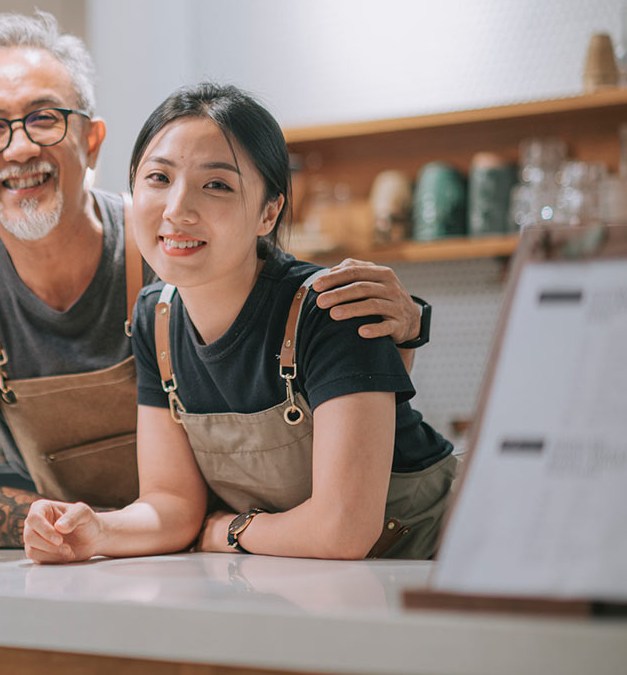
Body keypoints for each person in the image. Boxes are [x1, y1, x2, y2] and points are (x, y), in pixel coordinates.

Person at [0, 12, 431, 550]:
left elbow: (343, 497)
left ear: (92, 141)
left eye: (44, 118)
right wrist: (93, 531)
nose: (19, 148)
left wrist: (406, 332)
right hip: (184, 560)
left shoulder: (185, 254)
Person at [23, 83, 457, 563]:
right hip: (308, 585)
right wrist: (96, 531)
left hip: (442, 567)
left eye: (217, 185)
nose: (177, 210)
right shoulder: (157, 319)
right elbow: (172, 504)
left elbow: (344, 530)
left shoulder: (332, 309)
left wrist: (230, 530)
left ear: (268, 211)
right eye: (158, 178)